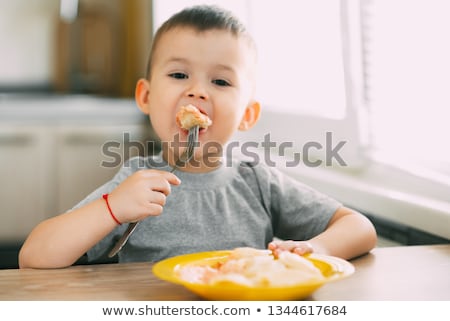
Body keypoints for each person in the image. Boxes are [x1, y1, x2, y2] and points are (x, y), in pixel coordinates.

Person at [19, 5, 377, 269]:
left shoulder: (256, 181)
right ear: (145, 96)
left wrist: (319, 249)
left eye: (220, 81)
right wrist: (112, 208)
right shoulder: (135, 183)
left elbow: (358, 227)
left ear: (247, 115)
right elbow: (34, 256)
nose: (198, 92)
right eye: (178, 75)